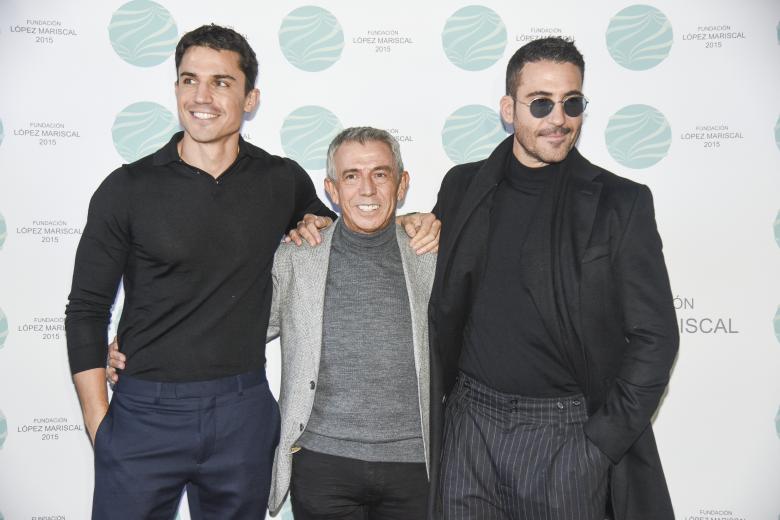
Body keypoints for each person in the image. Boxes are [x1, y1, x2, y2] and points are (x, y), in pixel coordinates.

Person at [65, 24, 436, 519]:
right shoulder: (126, 188)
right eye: (188, 79)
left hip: (242, 410)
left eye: (221, 82)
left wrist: (411, 220)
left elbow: (352, 219)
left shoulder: (282, 181)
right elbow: (86, 310)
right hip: (144, 411)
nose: (202, 96)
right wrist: (100, 425)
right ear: (175, 88)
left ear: (250, 98)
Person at [109, 127, 436, 519]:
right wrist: (142, 346)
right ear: (332, 189)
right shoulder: (298, 256)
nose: (367, 189)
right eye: (351, 176)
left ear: (402, 185)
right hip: (321, 462)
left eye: (380, 174)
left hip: (415, 465)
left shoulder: (432, 254)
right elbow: (234, 325)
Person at [427, 37, 678, 520]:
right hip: (470, 426)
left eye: (572, 102)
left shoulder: (619, 203)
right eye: (540, 103)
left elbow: (656, 337)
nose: (558, 118)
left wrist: (598, 445)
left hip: (565, 434)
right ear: (508, 108)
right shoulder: (462, 185)